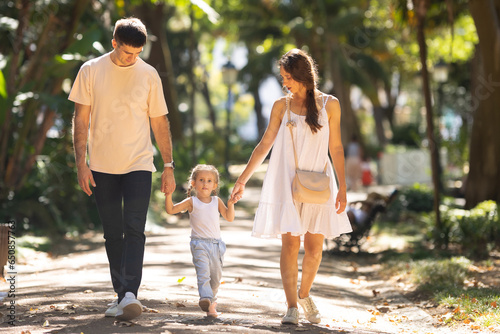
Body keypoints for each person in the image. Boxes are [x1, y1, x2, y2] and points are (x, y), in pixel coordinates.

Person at [230, 49, 352, 325]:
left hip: (319, 183)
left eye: (289, 78)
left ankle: (304, 294)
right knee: (289, 244)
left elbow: (337, 147)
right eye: (283, 78)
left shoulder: (330, 104)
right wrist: (242, 181)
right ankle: (292, 307)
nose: (285, 83)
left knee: (314, 249)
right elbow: (264, 146)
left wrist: (343, 186)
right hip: (287, 182)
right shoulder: (280, 106)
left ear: (303, 76)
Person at [69, 18, 175, 321]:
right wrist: (81, 163)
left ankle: (130, 293)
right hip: (102, 166)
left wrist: (168, 166)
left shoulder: (149, 74)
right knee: (112, 233)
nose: (132, 59)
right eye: (127, 52)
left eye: (138, 53)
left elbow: (159, 122)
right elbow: (81, 121)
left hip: (139, 164)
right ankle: (121, 295)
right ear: (114, 42)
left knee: (134, 229)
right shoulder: (90, 70)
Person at [165, 164, 235, 318]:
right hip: (199, 244)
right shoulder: (192, 201)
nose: (205, 183)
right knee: (203, 274)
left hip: (216, 245)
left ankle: (211, 304)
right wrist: (168, 194)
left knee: (215, 280)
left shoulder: (216, 201)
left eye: (209, 180)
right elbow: (171, 210)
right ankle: (205, 298)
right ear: (193, 183)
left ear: (215, 185)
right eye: (201, 180)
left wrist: (230, 204)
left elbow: (229, 217)